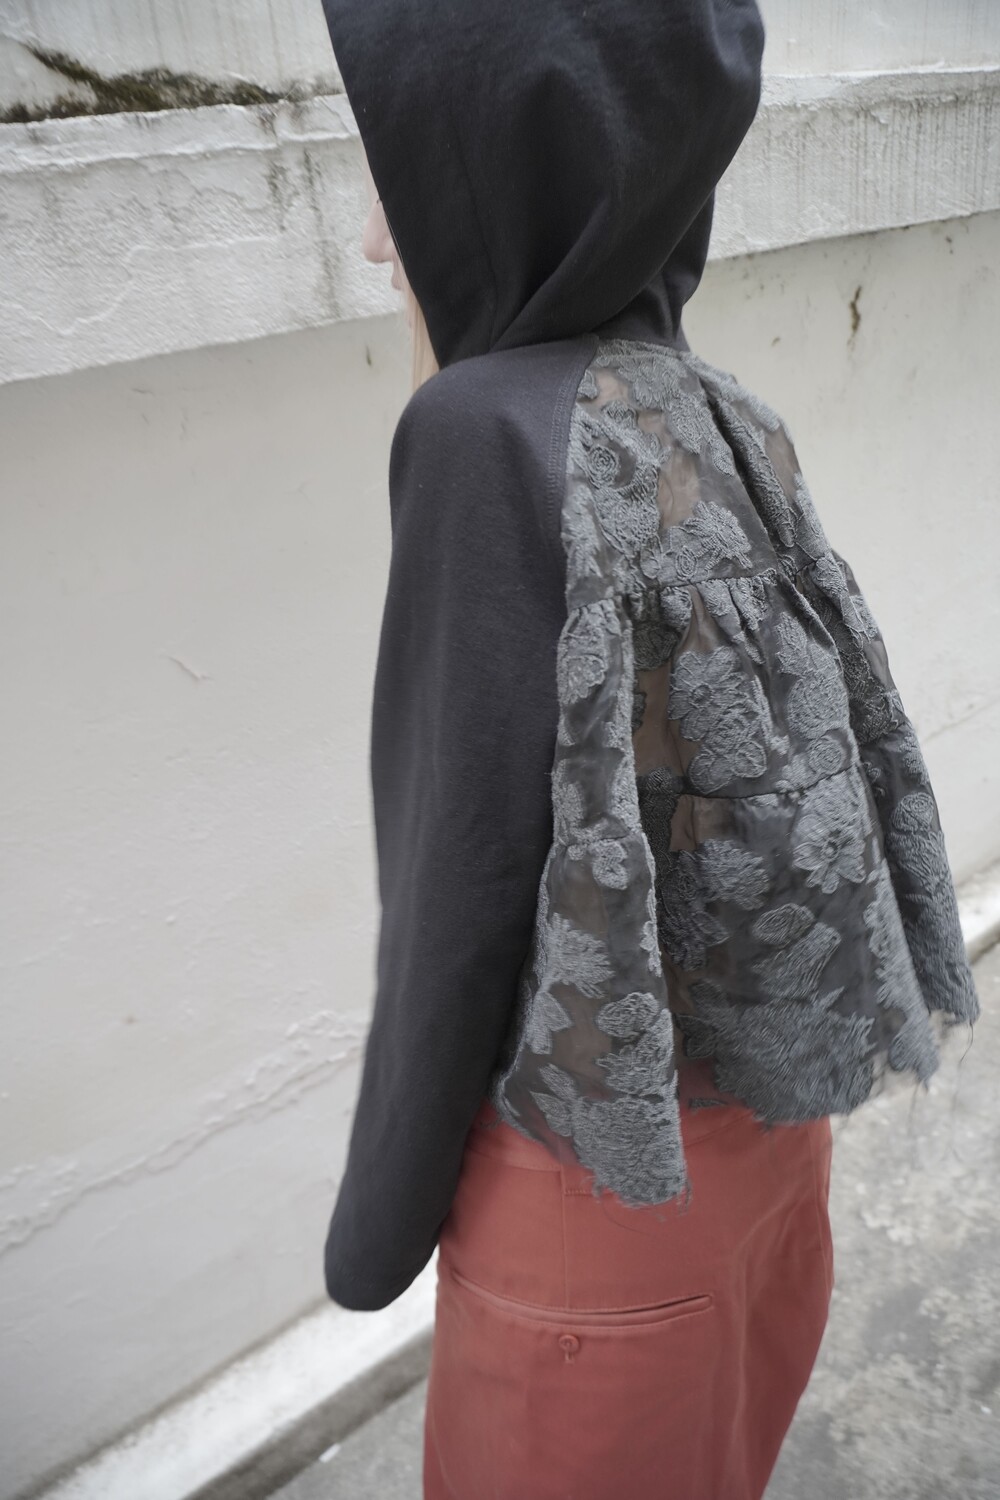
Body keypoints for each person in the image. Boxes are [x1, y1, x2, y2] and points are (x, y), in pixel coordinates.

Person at [317, 4, 980, 1497]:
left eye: (395, 173)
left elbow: (459, 886)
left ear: (497, 160)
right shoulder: (721, 412)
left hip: (593, 1220)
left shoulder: (484, 433)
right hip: (765, 1171)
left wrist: (373, 1230)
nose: (374, 240)